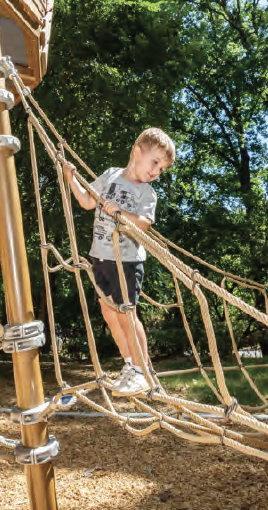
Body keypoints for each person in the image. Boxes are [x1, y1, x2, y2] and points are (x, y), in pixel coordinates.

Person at [62, 128, 175, 396]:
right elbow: (88, 201)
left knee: (127, 313)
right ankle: (129, 365)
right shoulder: (111, 175)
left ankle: (143, 369)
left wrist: (121, 212)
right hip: (100, 256)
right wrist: (71, 179)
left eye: (162, 168)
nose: (157, 171)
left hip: (125, 260)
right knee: (109, 312)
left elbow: (144, 224)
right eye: (155, 162)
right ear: (137, 152)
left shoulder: (146, 192)